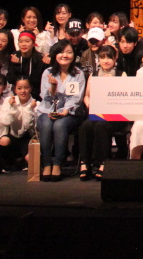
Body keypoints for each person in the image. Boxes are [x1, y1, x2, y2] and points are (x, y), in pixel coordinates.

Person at [37, 40, 86, 181]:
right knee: (46, 124)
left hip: (70, 113)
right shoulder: (48, 72)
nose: (65, 55)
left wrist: (65, 111)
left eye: (69, 52)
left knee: (60, 124)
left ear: (73, 55)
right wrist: (53, 88)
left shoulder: (78, 74)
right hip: (47, 110)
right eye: (61, 52)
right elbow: (45, 97)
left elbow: (76, 98)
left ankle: (58, 163)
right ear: (55, 55)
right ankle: (47, 163)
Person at [76, 45, 125, 180]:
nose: (106, 61)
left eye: (109, 57)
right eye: (102, 58)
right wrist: (88, 102)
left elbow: (124, 96)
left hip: (115, 115)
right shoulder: (94, 75)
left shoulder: (121, 74)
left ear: (115, 59)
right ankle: (85, 162)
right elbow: (87, 95)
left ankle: (103, 162)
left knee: (100, 126)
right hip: (97, 112)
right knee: (85, 126)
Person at [0, 77, 37, 172]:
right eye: (19, 88)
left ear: (30, 88)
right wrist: (12, 107)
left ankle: (22, 162)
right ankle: (8, 163)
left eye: (26, 87)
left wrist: (29, 109)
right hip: (12, 136)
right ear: (15, 90)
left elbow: (28, 126)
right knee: (4, 140)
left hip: (27, 137)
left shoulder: (36, 104)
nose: (23, 91)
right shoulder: (8, 101)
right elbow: (5, 122)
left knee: (31, 160)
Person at [8, 30, 47, 100]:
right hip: (18, 95)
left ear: (33, 43)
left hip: (36, 96)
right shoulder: (15, 56)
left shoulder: (40, 59)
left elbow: (38, 81)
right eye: (21, 42)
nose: (23, 44)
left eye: (27, 41)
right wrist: (15, 65)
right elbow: (10, 79)